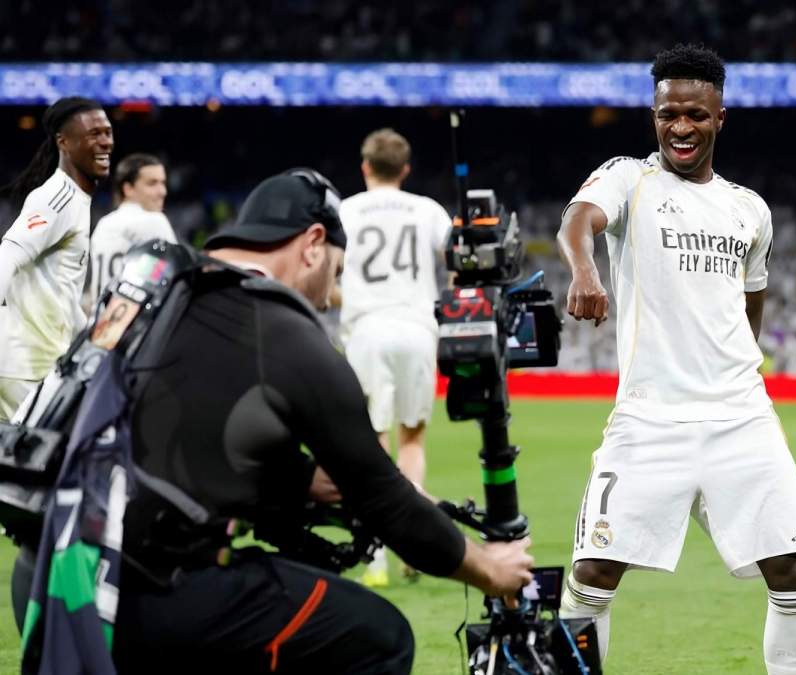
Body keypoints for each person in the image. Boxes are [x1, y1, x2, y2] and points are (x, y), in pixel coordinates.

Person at [108, 169, 532, 674]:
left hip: (57, 574)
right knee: (377, 636)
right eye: (335, 272)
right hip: (151, 592)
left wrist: (302, 480)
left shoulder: (163, 290)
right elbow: (384, 499)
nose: (330, 295)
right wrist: (488, 567)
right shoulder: (281, 327)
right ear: (313, 243)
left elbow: (189, 431)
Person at [555, 45, 796, 674]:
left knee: (794, 568)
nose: (681, 127)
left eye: (695, 115)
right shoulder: (629, 178)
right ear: (654, 114)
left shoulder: (749, 209)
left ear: (719, 117)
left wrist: (737, 368)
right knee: (593, 569)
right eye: (668, 113)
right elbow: (579, 220)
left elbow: (750, 301)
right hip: (650, 418)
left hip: (740, 417)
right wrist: (586, 270)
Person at [337, 129, 453, 587]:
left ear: (364, 167)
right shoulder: (428, 210)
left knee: (371, 444)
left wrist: (342, 298)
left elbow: (326, 274)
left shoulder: (343, 211)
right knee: (412, 443)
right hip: (417, 328)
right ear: (405, 170)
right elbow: (460, 259)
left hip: (366, 329)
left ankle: (376, 559)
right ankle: (416, 545)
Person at [0, 96, 113, 421]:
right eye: (94, 134)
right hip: (29, 366)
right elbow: (8, 255)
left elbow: (60, 290)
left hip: (36, 361)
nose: (105, 141)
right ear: (63, 142)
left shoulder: (76, 199)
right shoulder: (58, 197)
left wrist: (89, 337)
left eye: (107, 132)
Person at [87, 153, 176, 306]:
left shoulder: (103, 224)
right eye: (152, 183)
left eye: (163, 183)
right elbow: (176, 277)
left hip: (102, 323)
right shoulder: (153, 220)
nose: (162, 191)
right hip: (136, 323)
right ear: (128, 189)